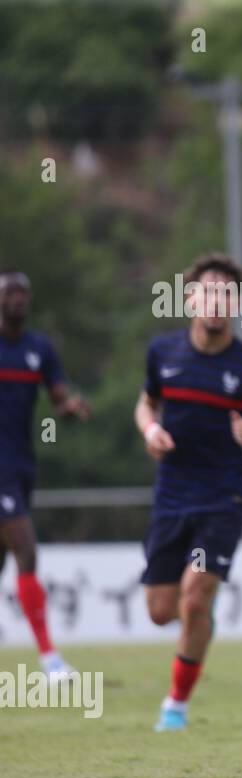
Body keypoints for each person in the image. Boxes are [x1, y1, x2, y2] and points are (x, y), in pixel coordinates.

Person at [135, 253, 242, 732]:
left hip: (224, 499)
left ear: (238, 304)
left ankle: (175, 706)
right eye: (209, 292)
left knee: (194, 598)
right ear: (190, 299)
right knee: (162, 612)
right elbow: (146, 404)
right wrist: (149, 431)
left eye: (227, 293)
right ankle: (201, 618)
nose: (217, 301)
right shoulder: (163, 354)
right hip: (172, 497)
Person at [0, 269, 91, 679]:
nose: (17, 298)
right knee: (27, 551)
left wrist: (70, 409)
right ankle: (49, 657)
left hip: (21, 465)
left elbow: (59, 398)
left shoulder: (39, 348)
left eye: (23, 292)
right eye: (9, 292)